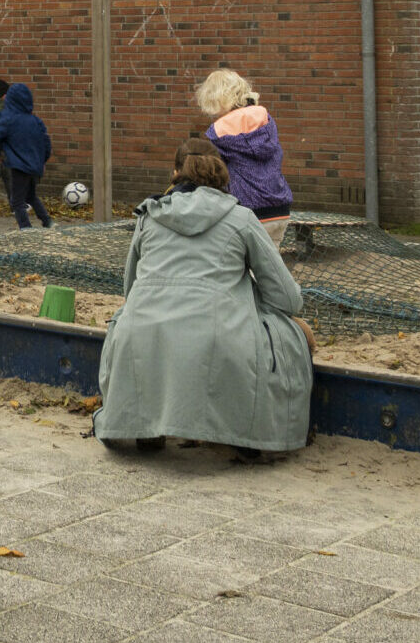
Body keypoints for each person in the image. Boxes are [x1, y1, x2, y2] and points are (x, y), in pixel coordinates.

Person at [95, 137, 313, 462]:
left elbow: (130, 290)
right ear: (222, 174)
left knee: (128, 319)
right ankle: (245, 433)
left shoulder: (149, 216)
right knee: (292, 330)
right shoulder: (242, 218)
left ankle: (147, 427)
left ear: (174, 174)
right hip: (219, 336)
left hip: (144, 335)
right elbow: (287, 299)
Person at [196, 68, 292, 238]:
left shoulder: (218, 132)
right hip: (279, 207)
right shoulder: (265, 119)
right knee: (270, 255)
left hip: (246, 212)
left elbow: (216, 175)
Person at [0, 81, 54, 228]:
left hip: (18, 166)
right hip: (35, 166)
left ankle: (25, 228)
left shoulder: (8, 119)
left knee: (17, 201)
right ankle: (47, 221)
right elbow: (46, 143)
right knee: (31, 195)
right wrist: (42, 161)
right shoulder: (36, 120)